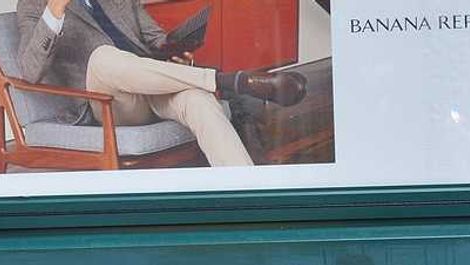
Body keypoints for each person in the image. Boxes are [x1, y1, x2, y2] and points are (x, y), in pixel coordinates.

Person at [16, 0, 308, 167]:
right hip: (110, 105)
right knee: (103, 57)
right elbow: (29, 71)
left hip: (152, 84)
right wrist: (55, 10)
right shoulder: (33, 6)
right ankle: (225, 81)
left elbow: (155, 39)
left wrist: (175, 47)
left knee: (200, 101)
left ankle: (250, 201)